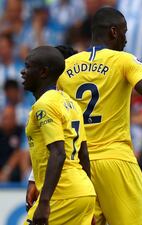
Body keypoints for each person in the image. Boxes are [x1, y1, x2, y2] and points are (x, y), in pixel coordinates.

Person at [28, 7, 142, 225]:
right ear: (114, 32)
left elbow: (50, 122)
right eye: (125, 32)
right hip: (116, 161)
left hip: (79, 167)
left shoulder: (65, 66)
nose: (126, 39)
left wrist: (34, 176)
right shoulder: (124, 60)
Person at [22, 46, 95, 225]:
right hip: (82, 191)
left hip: (62, 193)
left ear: (43, 72)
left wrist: (45, 203)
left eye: (28, 66)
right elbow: (83, 154)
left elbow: (58, 152)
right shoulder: (71, 103)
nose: (23, 72)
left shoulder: (45, 105)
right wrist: (89, 201)